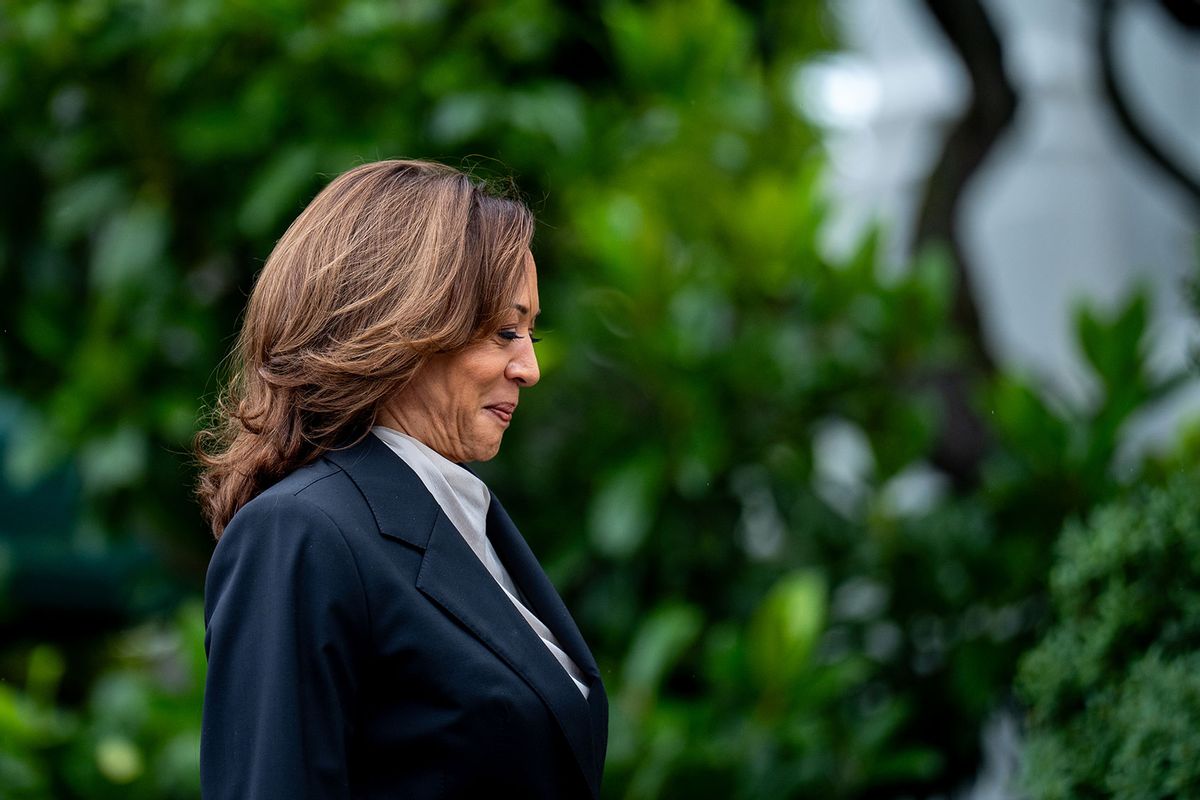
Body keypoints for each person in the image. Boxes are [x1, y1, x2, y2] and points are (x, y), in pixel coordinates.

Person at [195, 159, 607, 799]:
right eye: (504, 331)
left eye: (530, 332)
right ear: (407, 322)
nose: (528, 366)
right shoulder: (300, 532)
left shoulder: (461, 520)